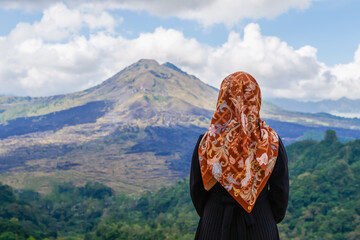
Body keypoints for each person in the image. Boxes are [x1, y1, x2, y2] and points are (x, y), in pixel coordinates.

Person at [190, 72, 289, 240]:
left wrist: (212, 212)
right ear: (256, 99)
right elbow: (280, 192)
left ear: (223, 97)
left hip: (214, 225)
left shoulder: (206, 142)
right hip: (259, 226)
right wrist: (265, 215)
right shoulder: (271, 142)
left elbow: (197, 189)